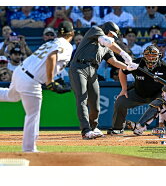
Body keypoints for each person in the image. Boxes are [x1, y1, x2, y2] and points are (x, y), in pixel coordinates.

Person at [0, 21, 75, 152]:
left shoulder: (51, 42)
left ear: (58, 33)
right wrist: (50, 81)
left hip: (20, 71)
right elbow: (52, 56)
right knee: (32, 114)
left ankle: (29, 148)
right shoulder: (66, 45)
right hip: (30, 80)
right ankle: (29, 149)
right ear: (72, 33)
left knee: (11, 96)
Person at [69, 21, 138, 139]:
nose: (112, 37)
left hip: (92, 70)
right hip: (79, 68)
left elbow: (113, 61)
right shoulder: (95, 30)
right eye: (111, 34)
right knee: (82, 99)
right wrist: (123, 53)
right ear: (107, 30)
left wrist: (127, 67)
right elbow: (107, 41)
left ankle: (93, 127)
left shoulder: (106, 47)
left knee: (95, 103)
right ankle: (85, 130)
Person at [108, 45, 166, 134]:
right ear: (143, 55)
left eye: (153, 55)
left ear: (159, 56)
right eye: (148, 55)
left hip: (157, 95)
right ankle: (117, 128)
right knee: (120, 101)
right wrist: (124, 89)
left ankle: (165, 127)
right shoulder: (136, 63)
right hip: (138, 93)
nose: (150, 58)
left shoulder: (165, 67)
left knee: (165, 101)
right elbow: (122, 70)